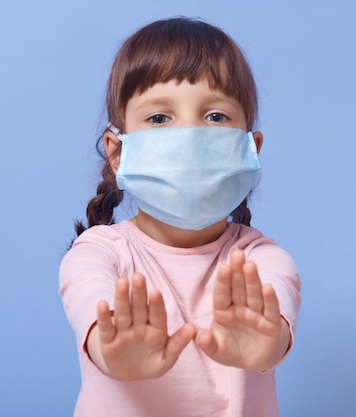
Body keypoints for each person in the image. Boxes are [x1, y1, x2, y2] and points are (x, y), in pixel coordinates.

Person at [59, 17, 301, 417]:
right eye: (159, 119)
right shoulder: (98, 254)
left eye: (216, 117)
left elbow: (275, 325)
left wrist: (268, 344)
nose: (189, 137)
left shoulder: (262, 260)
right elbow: (90, 304)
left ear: (250, 148)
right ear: (118, 152)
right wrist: (113, 351)